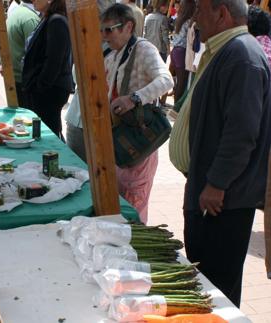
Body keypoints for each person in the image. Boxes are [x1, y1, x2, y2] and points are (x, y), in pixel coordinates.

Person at [169, 0, 271, 306]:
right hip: (211, 196)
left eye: (200, 10)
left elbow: (241, 134)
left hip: (223, 202)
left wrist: (216, 183)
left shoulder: (241, 56)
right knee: (207, 281)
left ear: (222, 13)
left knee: (218, 290)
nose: (195, 17)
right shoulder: (227, 50)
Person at [101, 4, 173, 223]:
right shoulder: (112, 52)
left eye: (109, 30)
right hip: (118, 140)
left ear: (128, 27)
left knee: (135, 205)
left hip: (139, 142)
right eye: (101, 31)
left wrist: (135, 98)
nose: (104, 36)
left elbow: (166, 80)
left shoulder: (144, 49)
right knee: (118, 201)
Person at [22, 0, 73, 138]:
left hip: (49, 92)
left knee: (47, 135)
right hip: (45, 91)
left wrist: (40, 86)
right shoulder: (48, 18)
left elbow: (54, 60)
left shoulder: (57, 21)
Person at [6, 0, 40, 108]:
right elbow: (36, 54)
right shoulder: (30, 18)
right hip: (24, 81)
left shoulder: (16, 12)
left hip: (16, 78)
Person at [170, 0, 194, 102]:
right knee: (182, 82)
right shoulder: (189, 22)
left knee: (179, 81)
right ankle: (176, 107)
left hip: (175, 50)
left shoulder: (179, 19)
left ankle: (176, 104)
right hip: (182, 52)